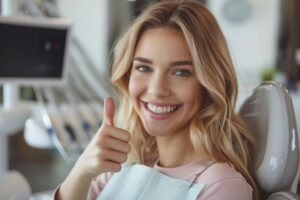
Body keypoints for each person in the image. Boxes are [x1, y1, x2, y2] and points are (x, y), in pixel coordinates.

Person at [55, 0, 258, 199]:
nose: (156, 90)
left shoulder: (221, 186)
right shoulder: (122, 166)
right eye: (144, 68)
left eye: (180, 72)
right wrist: (82, 169)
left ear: (209, 84)